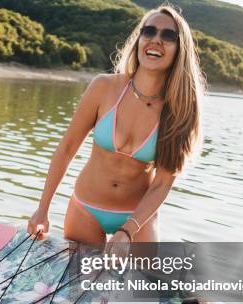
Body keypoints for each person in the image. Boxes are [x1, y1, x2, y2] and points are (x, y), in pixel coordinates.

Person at [27, 5, 205, 249]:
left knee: (142, 286)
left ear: (179, 49)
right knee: (79, 285)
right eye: (149, 31)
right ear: (139, 40)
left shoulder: (181, 109)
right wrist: (42, 209)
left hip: (137, 218)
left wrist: (128, 231)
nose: (156, 40)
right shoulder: (104, 87)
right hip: (86, 210)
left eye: (168, 36)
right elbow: (67, 148)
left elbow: (163, 182)